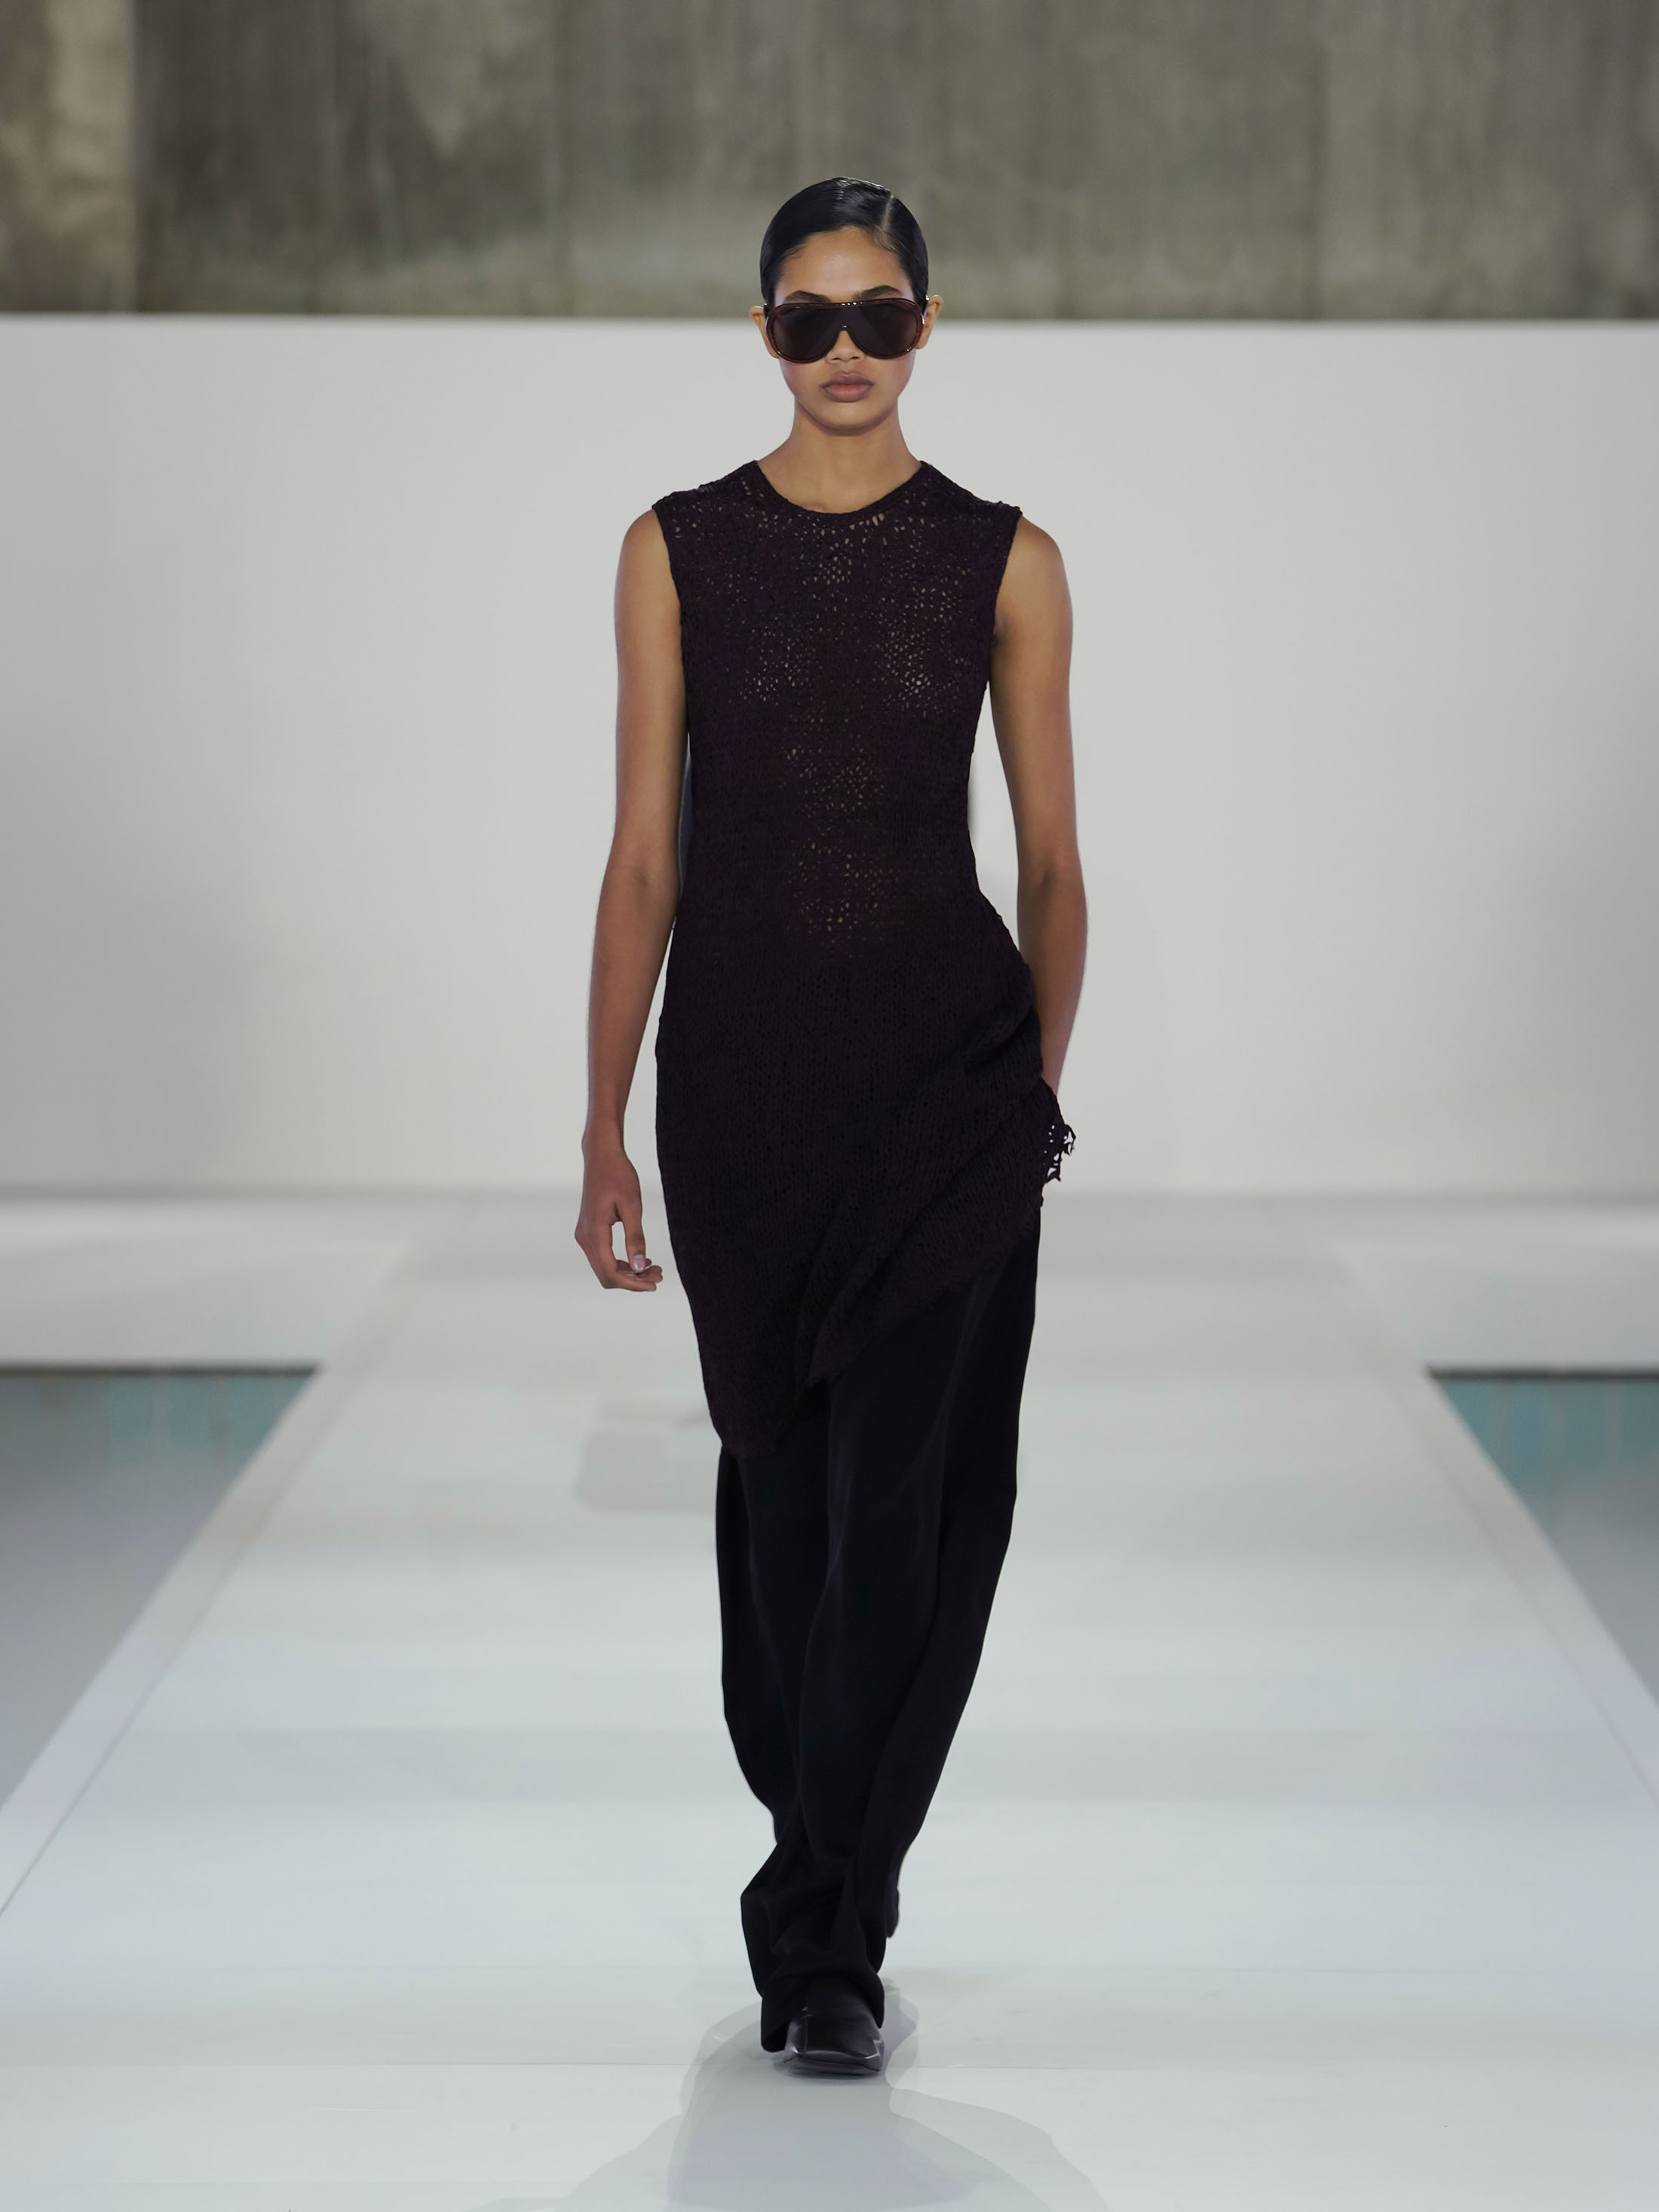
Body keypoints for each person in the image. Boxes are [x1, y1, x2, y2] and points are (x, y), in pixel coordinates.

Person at [576, 177, 1086, 2075]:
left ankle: (829, 1941)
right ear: (764, 333)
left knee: (915, 1515)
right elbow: (645, 857)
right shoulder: (675, 549)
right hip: (738, 1094)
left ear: (925, 328)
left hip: (946, 1094)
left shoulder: (1006, 560)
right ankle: (812, 1839)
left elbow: (1051, 861)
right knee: (781, 1514)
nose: (845, 352)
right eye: (809, 320)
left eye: (877, 317)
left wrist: (1025, 1098)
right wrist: (601, 1124)